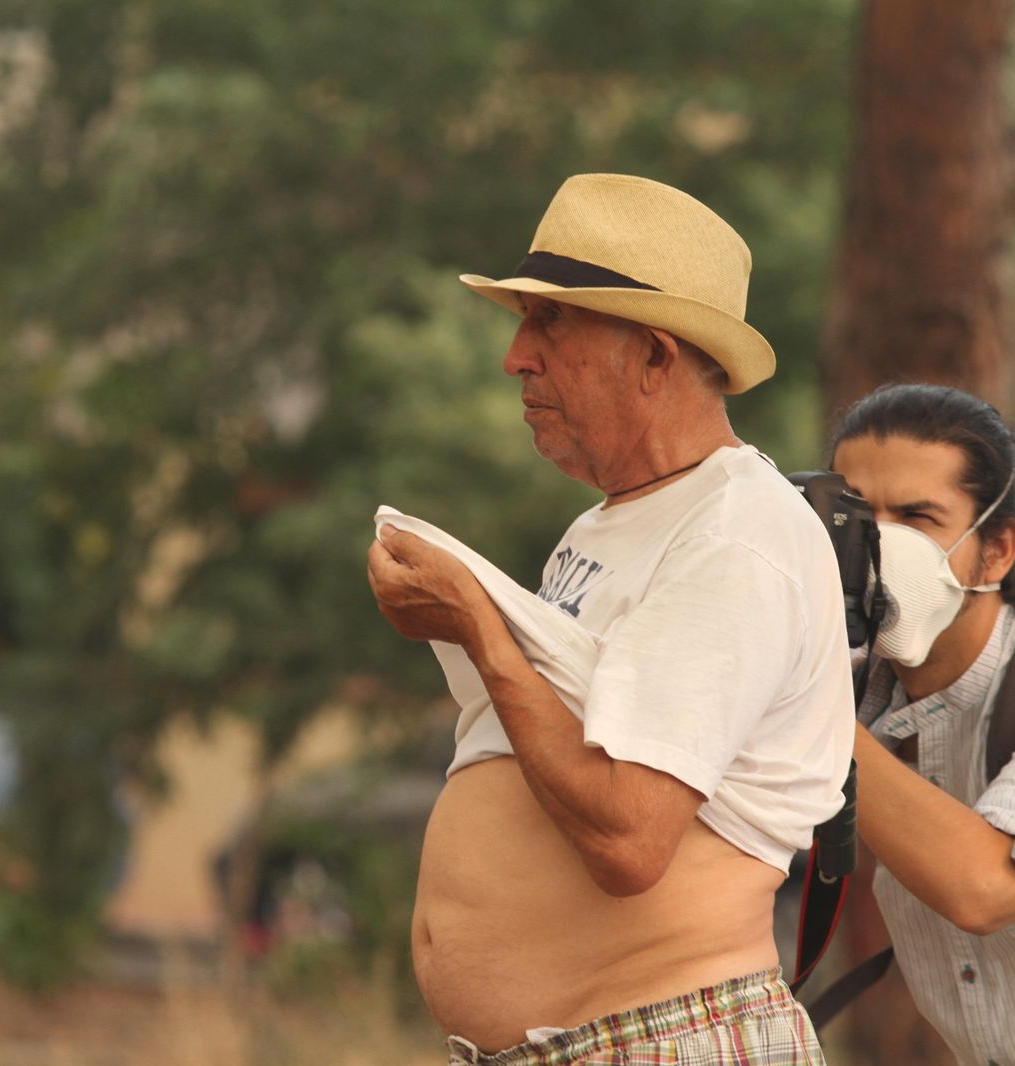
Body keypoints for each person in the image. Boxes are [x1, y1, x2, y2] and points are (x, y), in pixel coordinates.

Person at [366, 174, 852, 1065]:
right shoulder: (617, 524)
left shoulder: (738, 534)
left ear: (656, 357)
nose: (516, 356)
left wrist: (479, 629)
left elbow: (629, 838)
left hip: (668, 1038)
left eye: (549, 322)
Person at [827, 383, 1015, 1066]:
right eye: (855, 514)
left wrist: (802, 698)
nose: (879, 543)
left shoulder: (816, 700)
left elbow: (983, 888)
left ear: (998, 550)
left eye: (916, 517)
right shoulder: (850, 690)